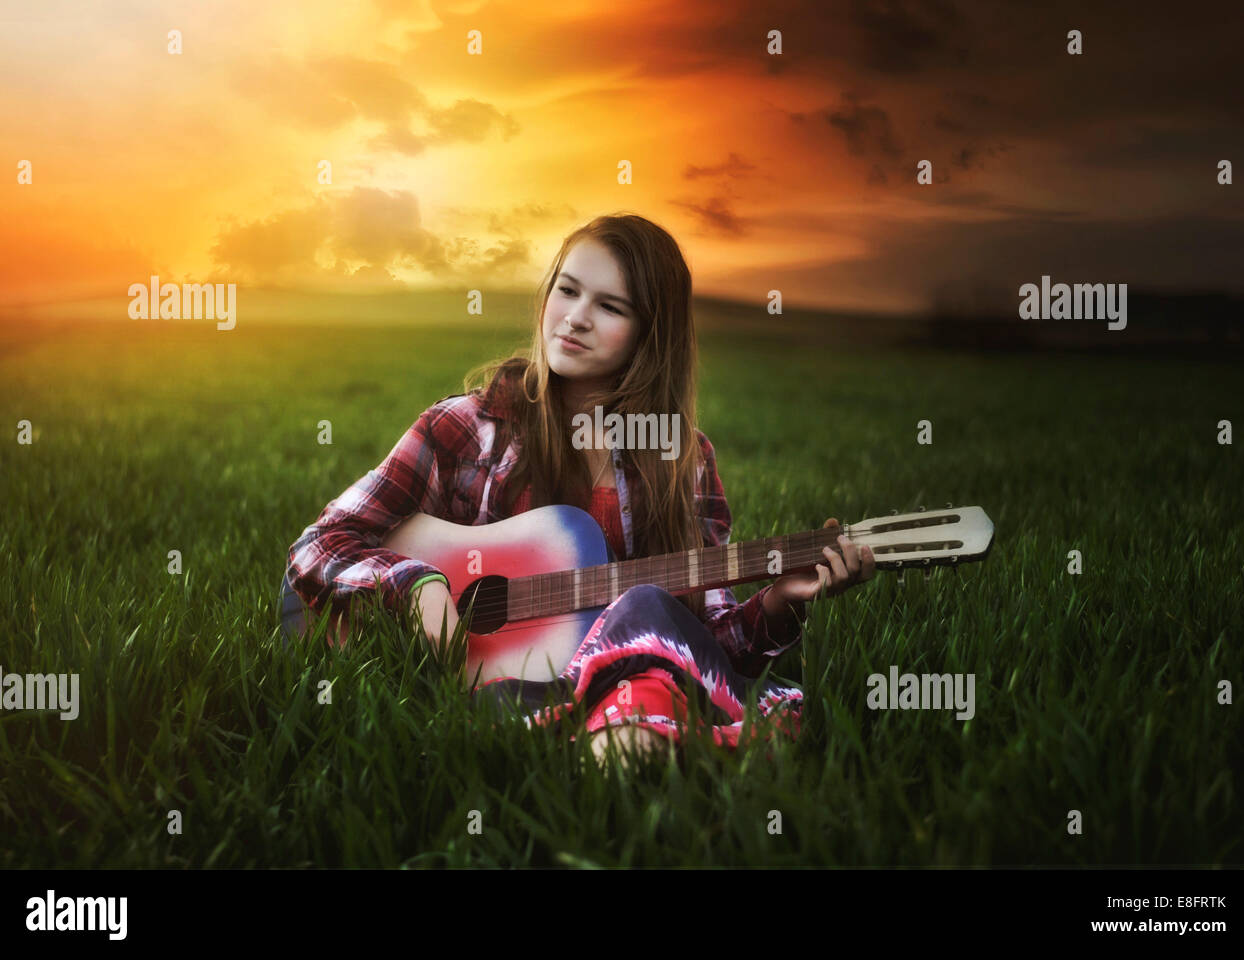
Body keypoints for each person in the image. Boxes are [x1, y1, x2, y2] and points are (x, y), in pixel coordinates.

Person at [280, 213, 876, 767]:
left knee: (646, 614)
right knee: (645, 659)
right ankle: (632, 752)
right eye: (567, 290)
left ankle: (622, 772)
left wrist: (779, 603)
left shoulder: (683, 461)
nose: (575, 318)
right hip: (480, 684)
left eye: (609, 306)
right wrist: (414, 586)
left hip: (610, 677)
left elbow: (704, 639)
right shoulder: (464, 427)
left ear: (650, 335)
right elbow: (323, 543)